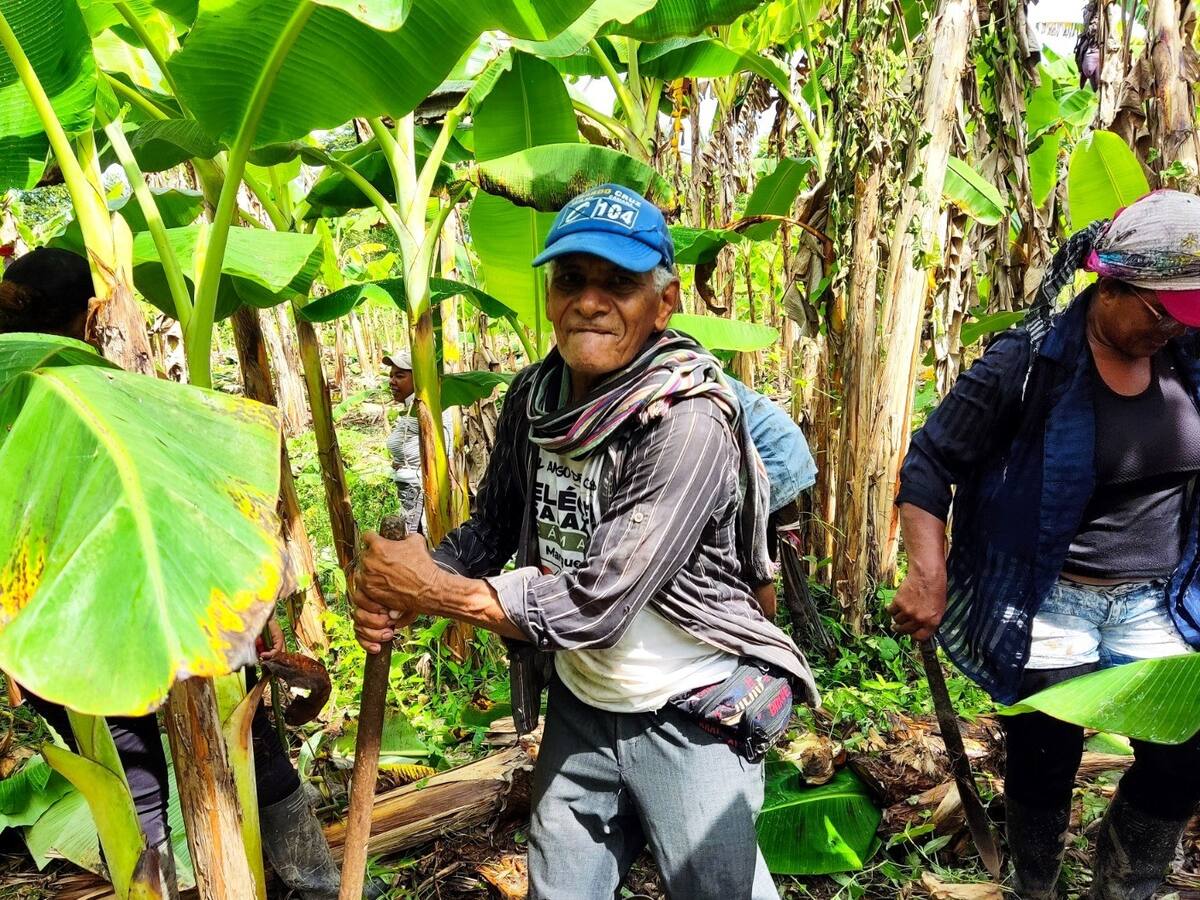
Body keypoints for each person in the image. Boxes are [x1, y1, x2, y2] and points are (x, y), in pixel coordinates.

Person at [351, 183, 819, 899]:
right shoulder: (534, 398)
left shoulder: (683, 423)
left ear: (664, 303)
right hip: (583, 705)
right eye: (571, 279)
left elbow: (597, 603)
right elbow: (493, 526)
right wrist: (412, 582)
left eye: (619, 285)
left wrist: (433, 590)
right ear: (550, 294)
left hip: (689, 710)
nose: (590, 302)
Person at [0, 247, 364, 900]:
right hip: (180, 585)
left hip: (63, 622)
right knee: (251, 745)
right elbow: (215, 499)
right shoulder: (129, 397)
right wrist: (257, 612)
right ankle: (315, 887)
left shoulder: (19, 393)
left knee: (131, 779)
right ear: (93, 316)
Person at [889, 190, 1200, 900]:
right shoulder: (1028, 361)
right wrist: (927, 571)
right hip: (1049, 599)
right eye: (1159, 312)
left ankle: (1126, 883)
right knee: (1044, 756)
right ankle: (1036, 885)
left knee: (1183, 752)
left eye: (1184, 316)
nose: (1171, 329)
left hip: (1160, 599)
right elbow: (932, 460)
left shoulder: (1186, 356)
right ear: (1110, 286)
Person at [382, 348, 453, 534]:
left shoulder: (429, 406)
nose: (392, 381)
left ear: (418, 378)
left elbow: (445, 446)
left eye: (399, 376)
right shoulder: (412, 407)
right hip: (411, 490)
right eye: (391, 376)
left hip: (422, 491)